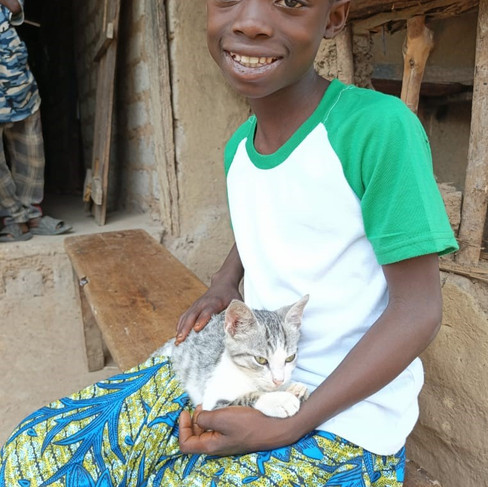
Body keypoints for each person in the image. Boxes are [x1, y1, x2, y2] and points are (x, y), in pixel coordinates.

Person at [0, 0, 458, 485]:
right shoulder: (239, 148)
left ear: (335, 17)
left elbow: (418, 310)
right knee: (35, 452)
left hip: (346, 416)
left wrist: (290, 425)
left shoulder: (377, 129)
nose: (251, 21)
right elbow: (268, 218)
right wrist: (224, 281)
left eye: (290, 1)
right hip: (241, 373)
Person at [0, 0, 71, 243]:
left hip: (16, 77)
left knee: (31, 150)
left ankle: (32, 215)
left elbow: (16, 8)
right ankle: (12, 218)